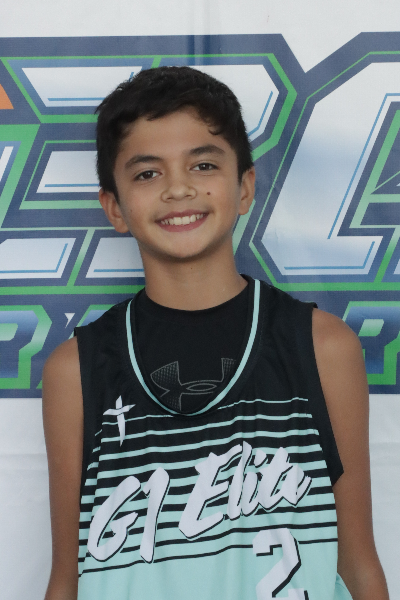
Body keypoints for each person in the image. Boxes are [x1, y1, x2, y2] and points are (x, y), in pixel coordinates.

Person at [42, 66, 389, 600]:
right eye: (147, 173)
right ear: (114, 207)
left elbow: (358, 564)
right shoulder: (76, 371)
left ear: (244, 187)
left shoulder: (323, 347)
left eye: (203, 164)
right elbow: (68, 577)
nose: (179, 188)